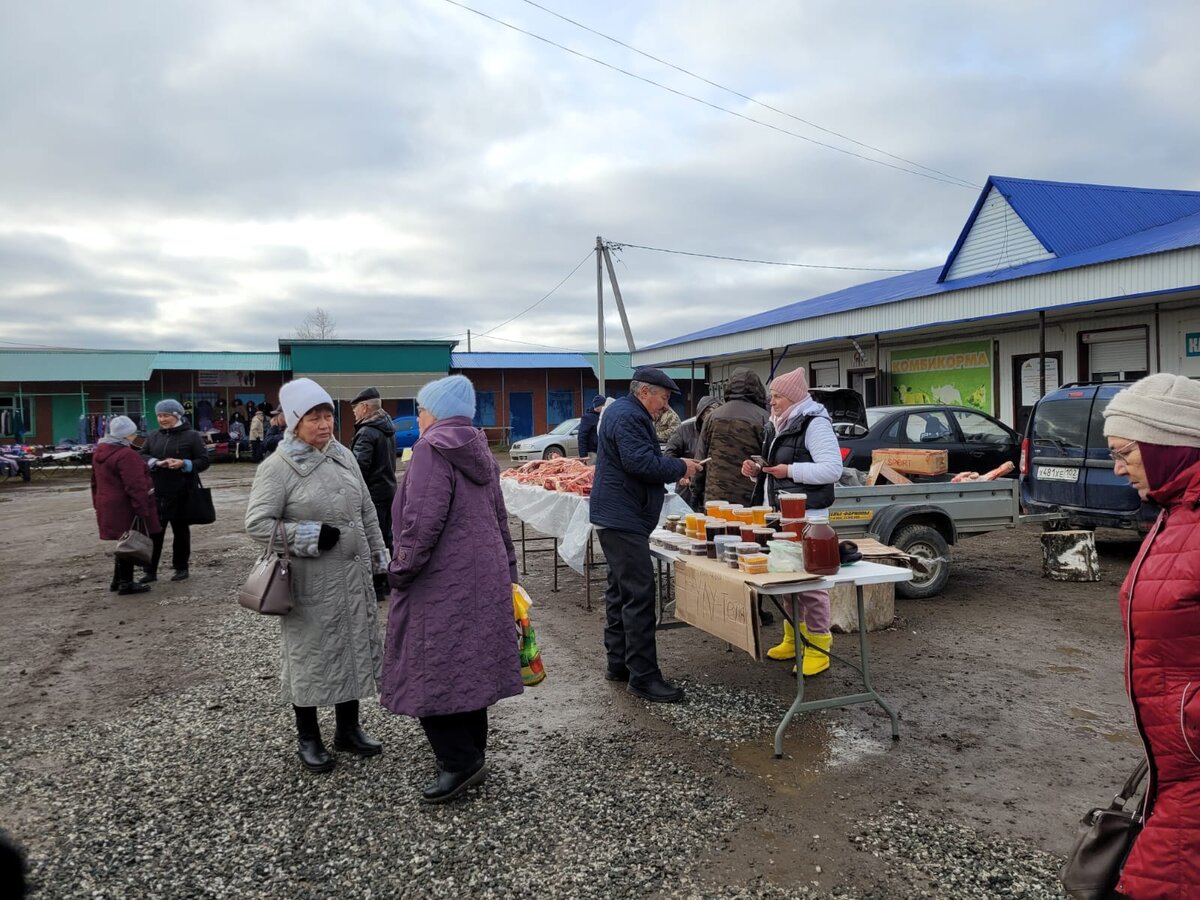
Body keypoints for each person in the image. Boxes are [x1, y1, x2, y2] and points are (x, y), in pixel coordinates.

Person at [382, 374, 523, 803]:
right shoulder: (478, 448)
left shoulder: (431, 449)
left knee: (430, 665)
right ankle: (472, 752)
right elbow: (500, 519)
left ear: (437, 412)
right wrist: (509, 571)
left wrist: (400, 568)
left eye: (422, 408)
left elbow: (422, 521)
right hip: (483, 576)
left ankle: (459, 760)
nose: (419, 415)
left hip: (440, 578)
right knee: (470, 663)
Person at [245, 377, 389, 774]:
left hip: (353, 578)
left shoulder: (342, 455)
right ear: (294, 421)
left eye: (328, 415)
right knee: (310, 656)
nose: (324, 424)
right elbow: (257, 523)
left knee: (352, 649)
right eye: (313, 417)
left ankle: (348, 729)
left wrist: (380, 562)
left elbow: (367, 512)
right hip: (310, 582)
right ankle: (308, 736)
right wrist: (308, 535)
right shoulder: (278, 467)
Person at [1100, 373, 1200, 898]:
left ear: (1168, 447)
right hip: (1175, 764)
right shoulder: (1176, 511)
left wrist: (1189, 721)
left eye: (1124, 453)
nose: (1117, 468)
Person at [590, 368, 704, 703]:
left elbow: (641, 461)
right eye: (664, 398)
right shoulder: (629, 416)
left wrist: (673, 467)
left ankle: (620, 663)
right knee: (639, 594)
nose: (665, 407)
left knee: (620, 591)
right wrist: (680, 467)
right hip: (622, 516)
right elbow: (640, 463)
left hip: (620, 515)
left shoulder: (624, 412)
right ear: (645, 393)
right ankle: (643, 676)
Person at [744, 367, 843, 676]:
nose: (771, 402)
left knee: (811, 586)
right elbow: (775, 467)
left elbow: (831, 470)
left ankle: (818, 647)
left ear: (795, 398)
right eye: (771, 396)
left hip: (808, 518)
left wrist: (789, 471)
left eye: (777, 396)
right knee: (787, 582)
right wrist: (757, 471)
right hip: (781, 516)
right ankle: (793, 638)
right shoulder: (778, 424)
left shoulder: (814, 424)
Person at [140, 400, 210, 583]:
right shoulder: (153, 435)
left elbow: (204, 461)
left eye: (166, 415)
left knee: (181, 533)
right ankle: (150, 571)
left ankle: (181, 567)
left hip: (183, 492)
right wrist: (155, 462)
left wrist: (184, 464)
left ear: (177, 416)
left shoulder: (192, 436)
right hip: (158, 492)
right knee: (155, 533)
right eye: (159, 416)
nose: (162, 419)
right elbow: (142, 455)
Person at [90, 415, 161, 595]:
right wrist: (142, 508)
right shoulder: (126, 455)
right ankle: (126, 582)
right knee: (129, 541)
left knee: (123, 542)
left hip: (107, 504)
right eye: (132, 433)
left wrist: (97, 503)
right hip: (125, 505)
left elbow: (94, 482)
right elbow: (135, 485)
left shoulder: (101, 452)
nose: (134, 436)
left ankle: (118, 580)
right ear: (126, 435)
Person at [694, 367, 769, 509]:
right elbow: (769, 461)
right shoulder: (764, 418)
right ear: (758, 388)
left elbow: (700, 461)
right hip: (750, 501)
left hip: (714, 499)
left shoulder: (712, 417)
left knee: (716, 531)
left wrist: (696, 492)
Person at [350, 386, 397, 600]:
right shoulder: (387, 428)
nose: (354, 413)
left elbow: (358, 468)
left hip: (372, 496)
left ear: (365, 407)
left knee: (373, 541)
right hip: (388, 491)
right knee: (386, 539)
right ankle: (386, 581)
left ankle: (377, 586)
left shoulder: (367, 432)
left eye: (356, 409)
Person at [664, 395, 721, 509]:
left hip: (714, 490)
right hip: (687, 491)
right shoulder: (684, 429)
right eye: (707, 414)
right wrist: (680, 474)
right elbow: (669, 455)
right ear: (701, 415)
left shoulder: (723, 432)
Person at [577, 395, 605, 461]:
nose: (605, 407)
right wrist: (583, 455)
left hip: (602, 451)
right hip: (592, 453)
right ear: (598, 406)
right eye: (603, 405)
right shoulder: (587, 418)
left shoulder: (603, 416)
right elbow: (582, 436)